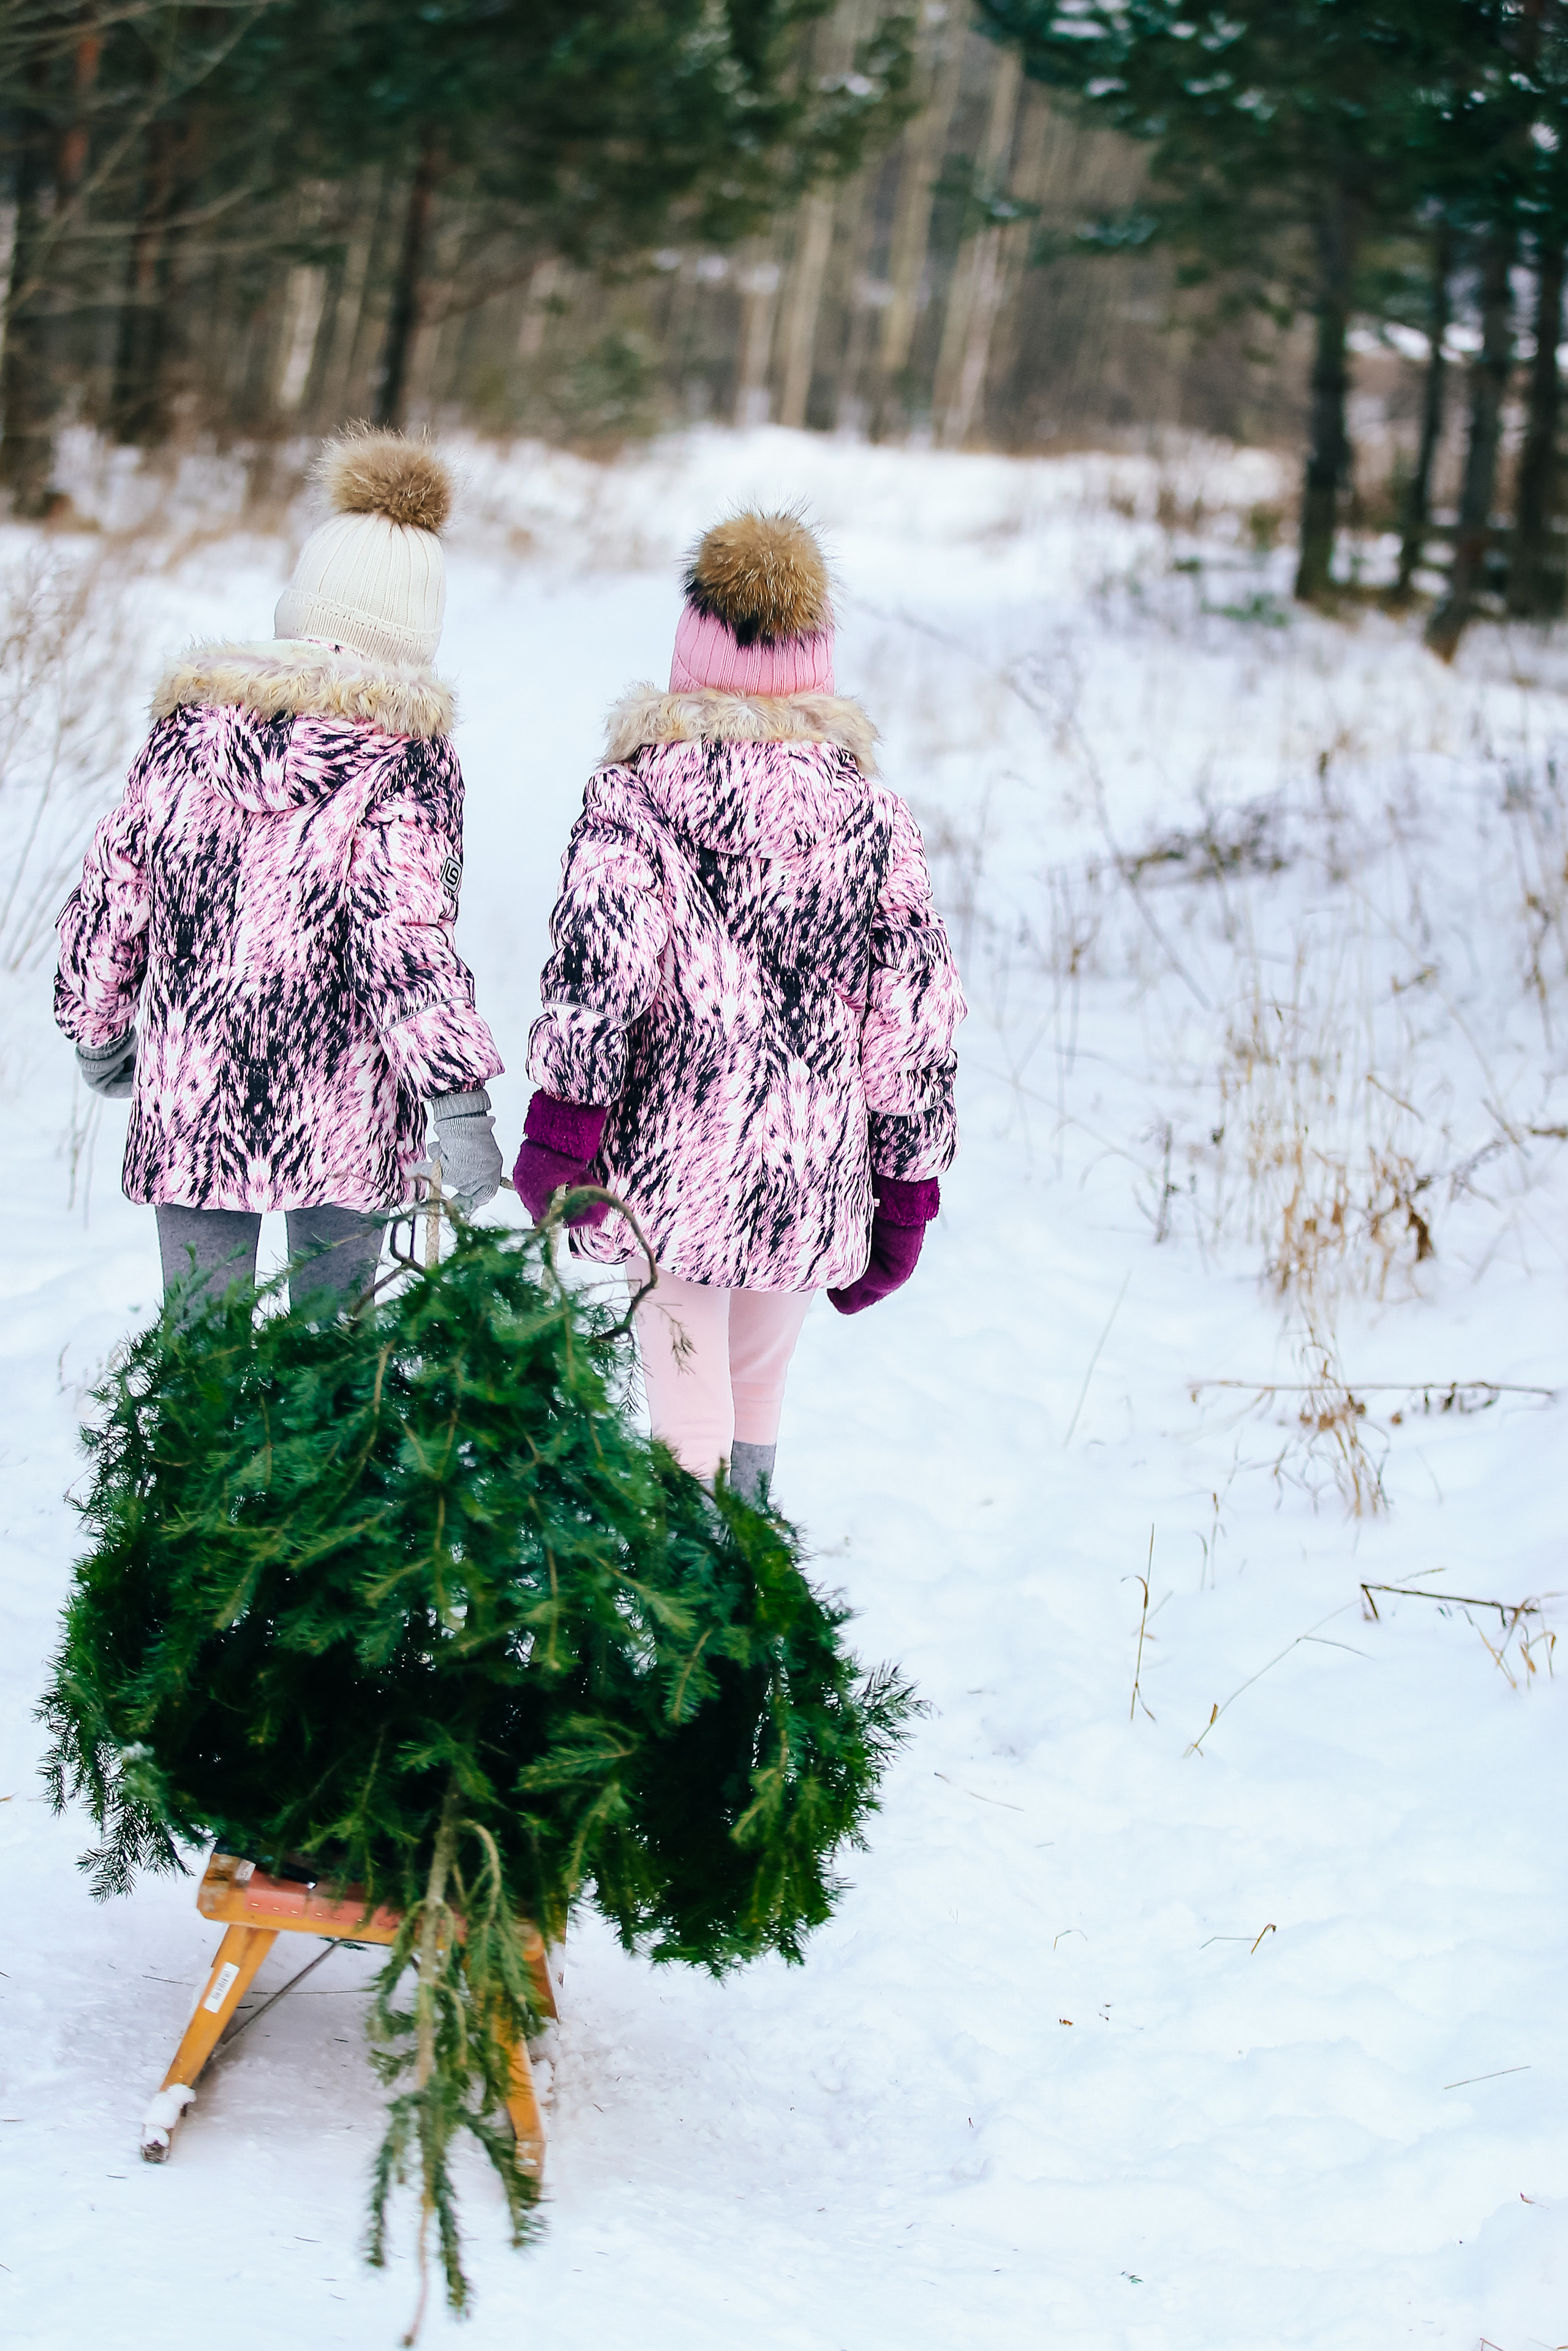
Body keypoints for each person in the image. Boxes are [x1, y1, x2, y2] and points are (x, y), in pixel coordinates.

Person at [513, 508, 965, 1501]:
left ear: (688, 660)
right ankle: (753, 1604)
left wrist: (562, 1131)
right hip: (809, 1169)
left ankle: (689, 1619)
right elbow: (914, 1018)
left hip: (665, 1169)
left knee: (685, 1400)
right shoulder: (873, 819)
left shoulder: (636, 797)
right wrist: (907, 1190)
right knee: (757, 1389)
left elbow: (601, 975)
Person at [54, 428, 503, 1315]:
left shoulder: (189, 729)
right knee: (327, 1378)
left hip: (193, 1093)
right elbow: (404, 940)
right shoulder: (403, 756)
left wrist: (97, 1024)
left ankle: (193, 1454)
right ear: (416, 633)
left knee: (198, 1362)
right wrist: (456, 1100)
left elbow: (117, 883)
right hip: (345, 1106)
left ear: (300, 605)